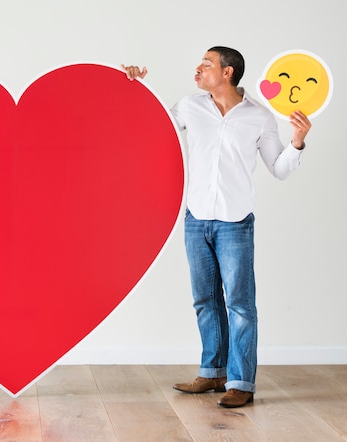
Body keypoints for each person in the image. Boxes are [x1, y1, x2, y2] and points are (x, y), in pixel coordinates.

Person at [124, 46, 311, 408]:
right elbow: (150, 126)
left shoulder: (259, 116)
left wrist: (298, 141)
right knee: (205, 300)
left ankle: (241, 382)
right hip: (196, 218)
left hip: (235, 222)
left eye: (207, 63)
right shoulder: (190, 107)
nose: (198, 68)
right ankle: (212, 372)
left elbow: (280, 168)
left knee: (240, 304)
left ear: (228, 72)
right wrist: (136, 87)